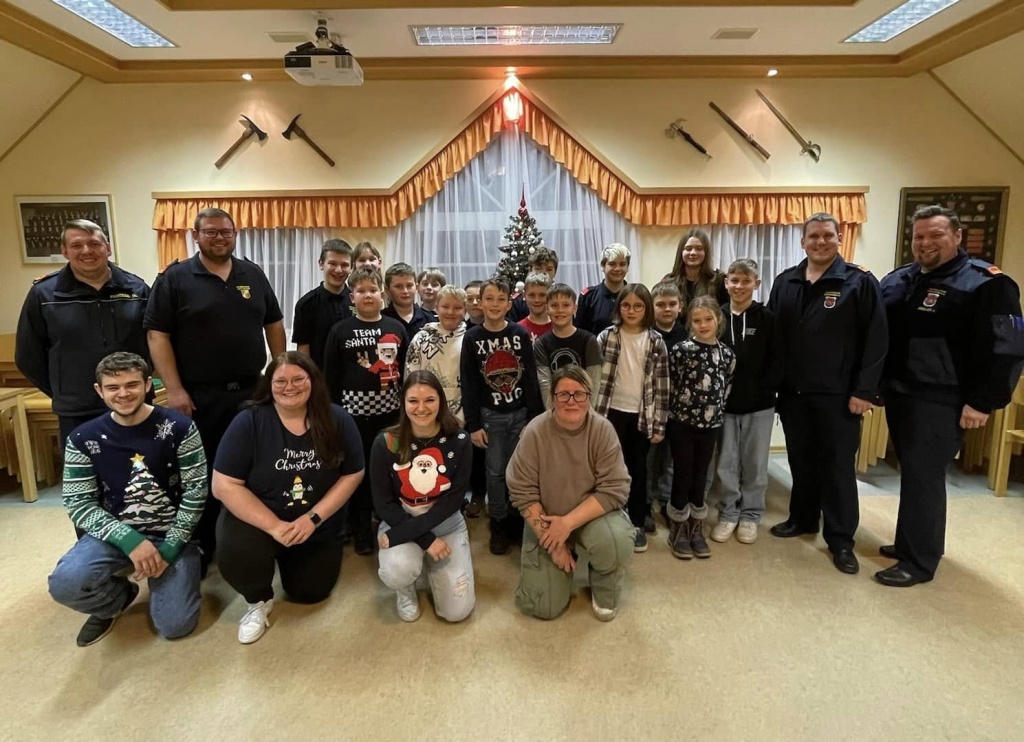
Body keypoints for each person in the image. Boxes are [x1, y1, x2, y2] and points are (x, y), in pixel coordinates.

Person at [876, 205, 1024, 587]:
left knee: (924, 476)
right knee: (912, 471)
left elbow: (1007, 348)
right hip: (900, 393)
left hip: (942, 399)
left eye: (936, 235)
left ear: (958, 237)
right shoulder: (899, 280)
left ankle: (919, 561)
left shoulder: (986, 283)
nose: (925, 243)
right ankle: (912, 541)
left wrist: (985, 400)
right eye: (919, 236)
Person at [144, 207, 286, 571]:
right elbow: (157, 335)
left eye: (226, 232)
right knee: (203, 473)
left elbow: (273, 322)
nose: (219, 238)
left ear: (235, 234)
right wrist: (174, 390)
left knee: (256, 468)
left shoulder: (252, 273)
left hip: (252, 392)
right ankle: (205, 545)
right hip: (198, 396)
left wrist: (279, 370)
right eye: (211, 232)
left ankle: (255, 538)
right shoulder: (175, 278)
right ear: (196, 235)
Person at [47, 352, 207, 646]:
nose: (123, 394)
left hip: (173, 536)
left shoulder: (180, 429)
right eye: (113, 387)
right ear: (99, 391)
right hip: (113, 535)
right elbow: (78, 503)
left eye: (132, 384)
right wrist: (131, 541)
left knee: (175, 625)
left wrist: (171, 547)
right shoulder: (83, 438)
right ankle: (117, 600)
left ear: (149, 385)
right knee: (64, 584)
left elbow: (196, 492)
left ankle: (182, 568)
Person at [212, 352, 364, 644]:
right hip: (260, 521)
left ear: (312, 381)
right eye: (280, 380)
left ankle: (289, 557)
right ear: (269, 384)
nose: (289, 387)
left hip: (315, 523)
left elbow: (353, 473)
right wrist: (274, 526)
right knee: (241, 553)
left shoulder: (337, 419)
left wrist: (313, 518)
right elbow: (224, 485)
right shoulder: (249, 421)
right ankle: (257, 602)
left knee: (311, 592)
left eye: (298, 379)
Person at [767, 212, 888, 575]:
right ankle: (802, 519)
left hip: (839, 396)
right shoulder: (785, 280)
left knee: (836, 468)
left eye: (827, 236)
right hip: (794, 393)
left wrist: (864, 391)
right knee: (800, 461)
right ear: (802, 242)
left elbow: (876, 340)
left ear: (839, 240)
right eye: (813, 237)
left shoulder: (859, 282)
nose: (820, 242)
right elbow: (775, 338)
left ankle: (840, 539)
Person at [507, 365, 634, 621]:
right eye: (563, 394)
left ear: (590, 396)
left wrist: (567, 524)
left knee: (616, 542)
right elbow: (521, 490)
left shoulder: (603, 430)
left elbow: (616, 488)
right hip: (546, 518)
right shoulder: (534, 431)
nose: (571, 401)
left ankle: (604, 579)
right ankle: (562, 558)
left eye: (579, 394)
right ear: (552, 398)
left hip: (590, 518)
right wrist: (553, 542)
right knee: (544, 609)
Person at [16, 219, 150, 444]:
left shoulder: (137, 289)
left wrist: (139, 382)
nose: (87, 251)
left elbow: (154, 341)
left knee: (140, 474)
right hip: (77, 409)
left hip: (133, 403)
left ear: (107, 248)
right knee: (84, 475)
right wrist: (63, 390)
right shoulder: (44, 295)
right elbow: (28, 356)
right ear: (65, 252)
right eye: (77, 245)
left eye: (94, 244)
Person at [371, 371, 476, 622]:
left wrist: (403, 536)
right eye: (413, 401)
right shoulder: (386, 442)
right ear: (403, 403)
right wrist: (426, 539)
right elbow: (383, 504)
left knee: (457, 613)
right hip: (401, 520)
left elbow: (454, 499)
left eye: (429, 400)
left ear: (441, 400)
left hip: (446, 522)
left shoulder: (460, 440)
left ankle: (433, 565)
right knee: (397, 570)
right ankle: (406, 586)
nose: (421, 408)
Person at [323, 267, 409, 555]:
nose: (368, 295)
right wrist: (334, 416)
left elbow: (406, 372)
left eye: (373, 290)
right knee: (357, 472)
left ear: (382, 295)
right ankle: (360, 528)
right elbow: (330, 377)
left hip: (391, 416)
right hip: (352, 418)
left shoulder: (396, 329)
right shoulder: (340, 331)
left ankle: (388, 520)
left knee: (387, 469)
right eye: (361, 291)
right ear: (352, 297)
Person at [460, 276, 544, 555]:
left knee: (520, 472)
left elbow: (530, 376)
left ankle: (516, 520)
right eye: (489, 299)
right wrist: (473, 424)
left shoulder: (519, 334)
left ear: (509, 304)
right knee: (495, 473)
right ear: (480, 303)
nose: (494, 304)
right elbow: (469, 383)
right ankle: (497, 522)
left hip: (520, 414)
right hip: (490, 417)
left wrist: (533, 416)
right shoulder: (472, 338)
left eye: (500, 299)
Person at [710, 259, 782, 545]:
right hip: (725, 405)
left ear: (757, 283)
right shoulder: (717, 317)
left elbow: (777, 362)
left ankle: (751, 514)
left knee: (754, 463)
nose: (739, 286)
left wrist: (766, 392)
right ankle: (728, 512)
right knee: (725, 463)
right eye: (734, 280)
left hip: (759, 405)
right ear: (726, 283)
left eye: (746, 280)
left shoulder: (768, 319)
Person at [595, 283, 670, 553]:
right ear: (619, 308)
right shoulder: (606, 337)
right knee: (609, 469)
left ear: (647, 309)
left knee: (638, 470)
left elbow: (662, 386)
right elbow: (594, 380)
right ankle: (609, 518)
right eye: (626, 305)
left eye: (638, 306)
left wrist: (659, 424)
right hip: (609, 413)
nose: (631, 310)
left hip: (641, 415)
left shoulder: (655, 341)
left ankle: (637, 522)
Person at [665, 297, 736, 560]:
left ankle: (696, 525)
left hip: (712, 425)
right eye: (697, 320)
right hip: (682, 424)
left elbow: (725, 387)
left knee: (701, 474)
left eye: (708, 319)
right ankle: (678, 525)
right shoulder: (681, 350)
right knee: (682, 472)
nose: (703, 325)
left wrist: (714, 414)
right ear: (689, 322)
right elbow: (672, 384)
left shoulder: (726, 354)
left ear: (718, 320)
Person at [646, 282, 687, 532]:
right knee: (650, 458)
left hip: (680, 410)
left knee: (672, 459)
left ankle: (667, 501)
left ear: (680, 307)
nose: (667, 309)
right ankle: (647, 501)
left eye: (672, 304)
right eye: (661, 304)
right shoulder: (647, 335)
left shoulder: (687, 335)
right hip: (651, 408)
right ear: (652, 308)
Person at [406, 285, 468, 425]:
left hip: (462, 417)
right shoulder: (421, 339)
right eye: (445, 306)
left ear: (465, 310)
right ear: (437, 307)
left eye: (457, 308)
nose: (450, 312)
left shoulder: (469, 340)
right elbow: (410, 377)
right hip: (425, 413)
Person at [534, 283, 602, 407]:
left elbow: (594, 383)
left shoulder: (589, 340)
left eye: (566, 305)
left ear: (574, 309)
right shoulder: (541, 344)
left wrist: (587, 415)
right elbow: (545, 385)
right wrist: (554, 415)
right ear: (547, 309)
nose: (560, 310)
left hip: (584, 410)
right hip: (555, 413)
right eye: (554, 305)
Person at [292, 239, 354, 369]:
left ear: (351, 267)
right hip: (320, 379)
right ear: (321, 264)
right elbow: (303, 350)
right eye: (332, 263)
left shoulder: (358, 301)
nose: (338, 270)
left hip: (353, 380)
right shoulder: (306, 304)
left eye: (344, 265)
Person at [663, 228, 729, 308]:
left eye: (699, 249)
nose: (693, 253)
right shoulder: (668, 282)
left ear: (706, 252)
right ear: (681, 252)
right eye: (688, 249)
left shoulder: (719, 281)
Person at [576, 243, 631, 336]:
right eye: (612, 264)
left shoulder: (636, 296)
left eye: (622, 264)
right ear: (603, 266)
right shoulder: (588, 297)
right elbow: (580, 334)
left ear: (627, 267)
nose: (617, 269)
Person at [383, 262, 434, 338]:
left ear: (416, 287)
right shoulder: (381, 320)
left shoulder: (430, 319)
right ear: (388, 290)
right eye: (398, 286)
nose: (405, 291)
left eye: (409, 286)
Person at [508, 247, 559, 322]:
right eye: (538, 269)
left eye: (549, 269)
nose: (544, 273)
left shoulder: (560, 299)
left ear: (555, 272)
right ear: (530, 270)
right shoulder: (517, 303)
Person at [517, 272, 553, 342]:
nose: (537, 300)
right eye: (532, 295)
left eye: (542, 295)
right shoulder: (518, 330)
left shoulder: (558, 327)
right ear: (524, 295)